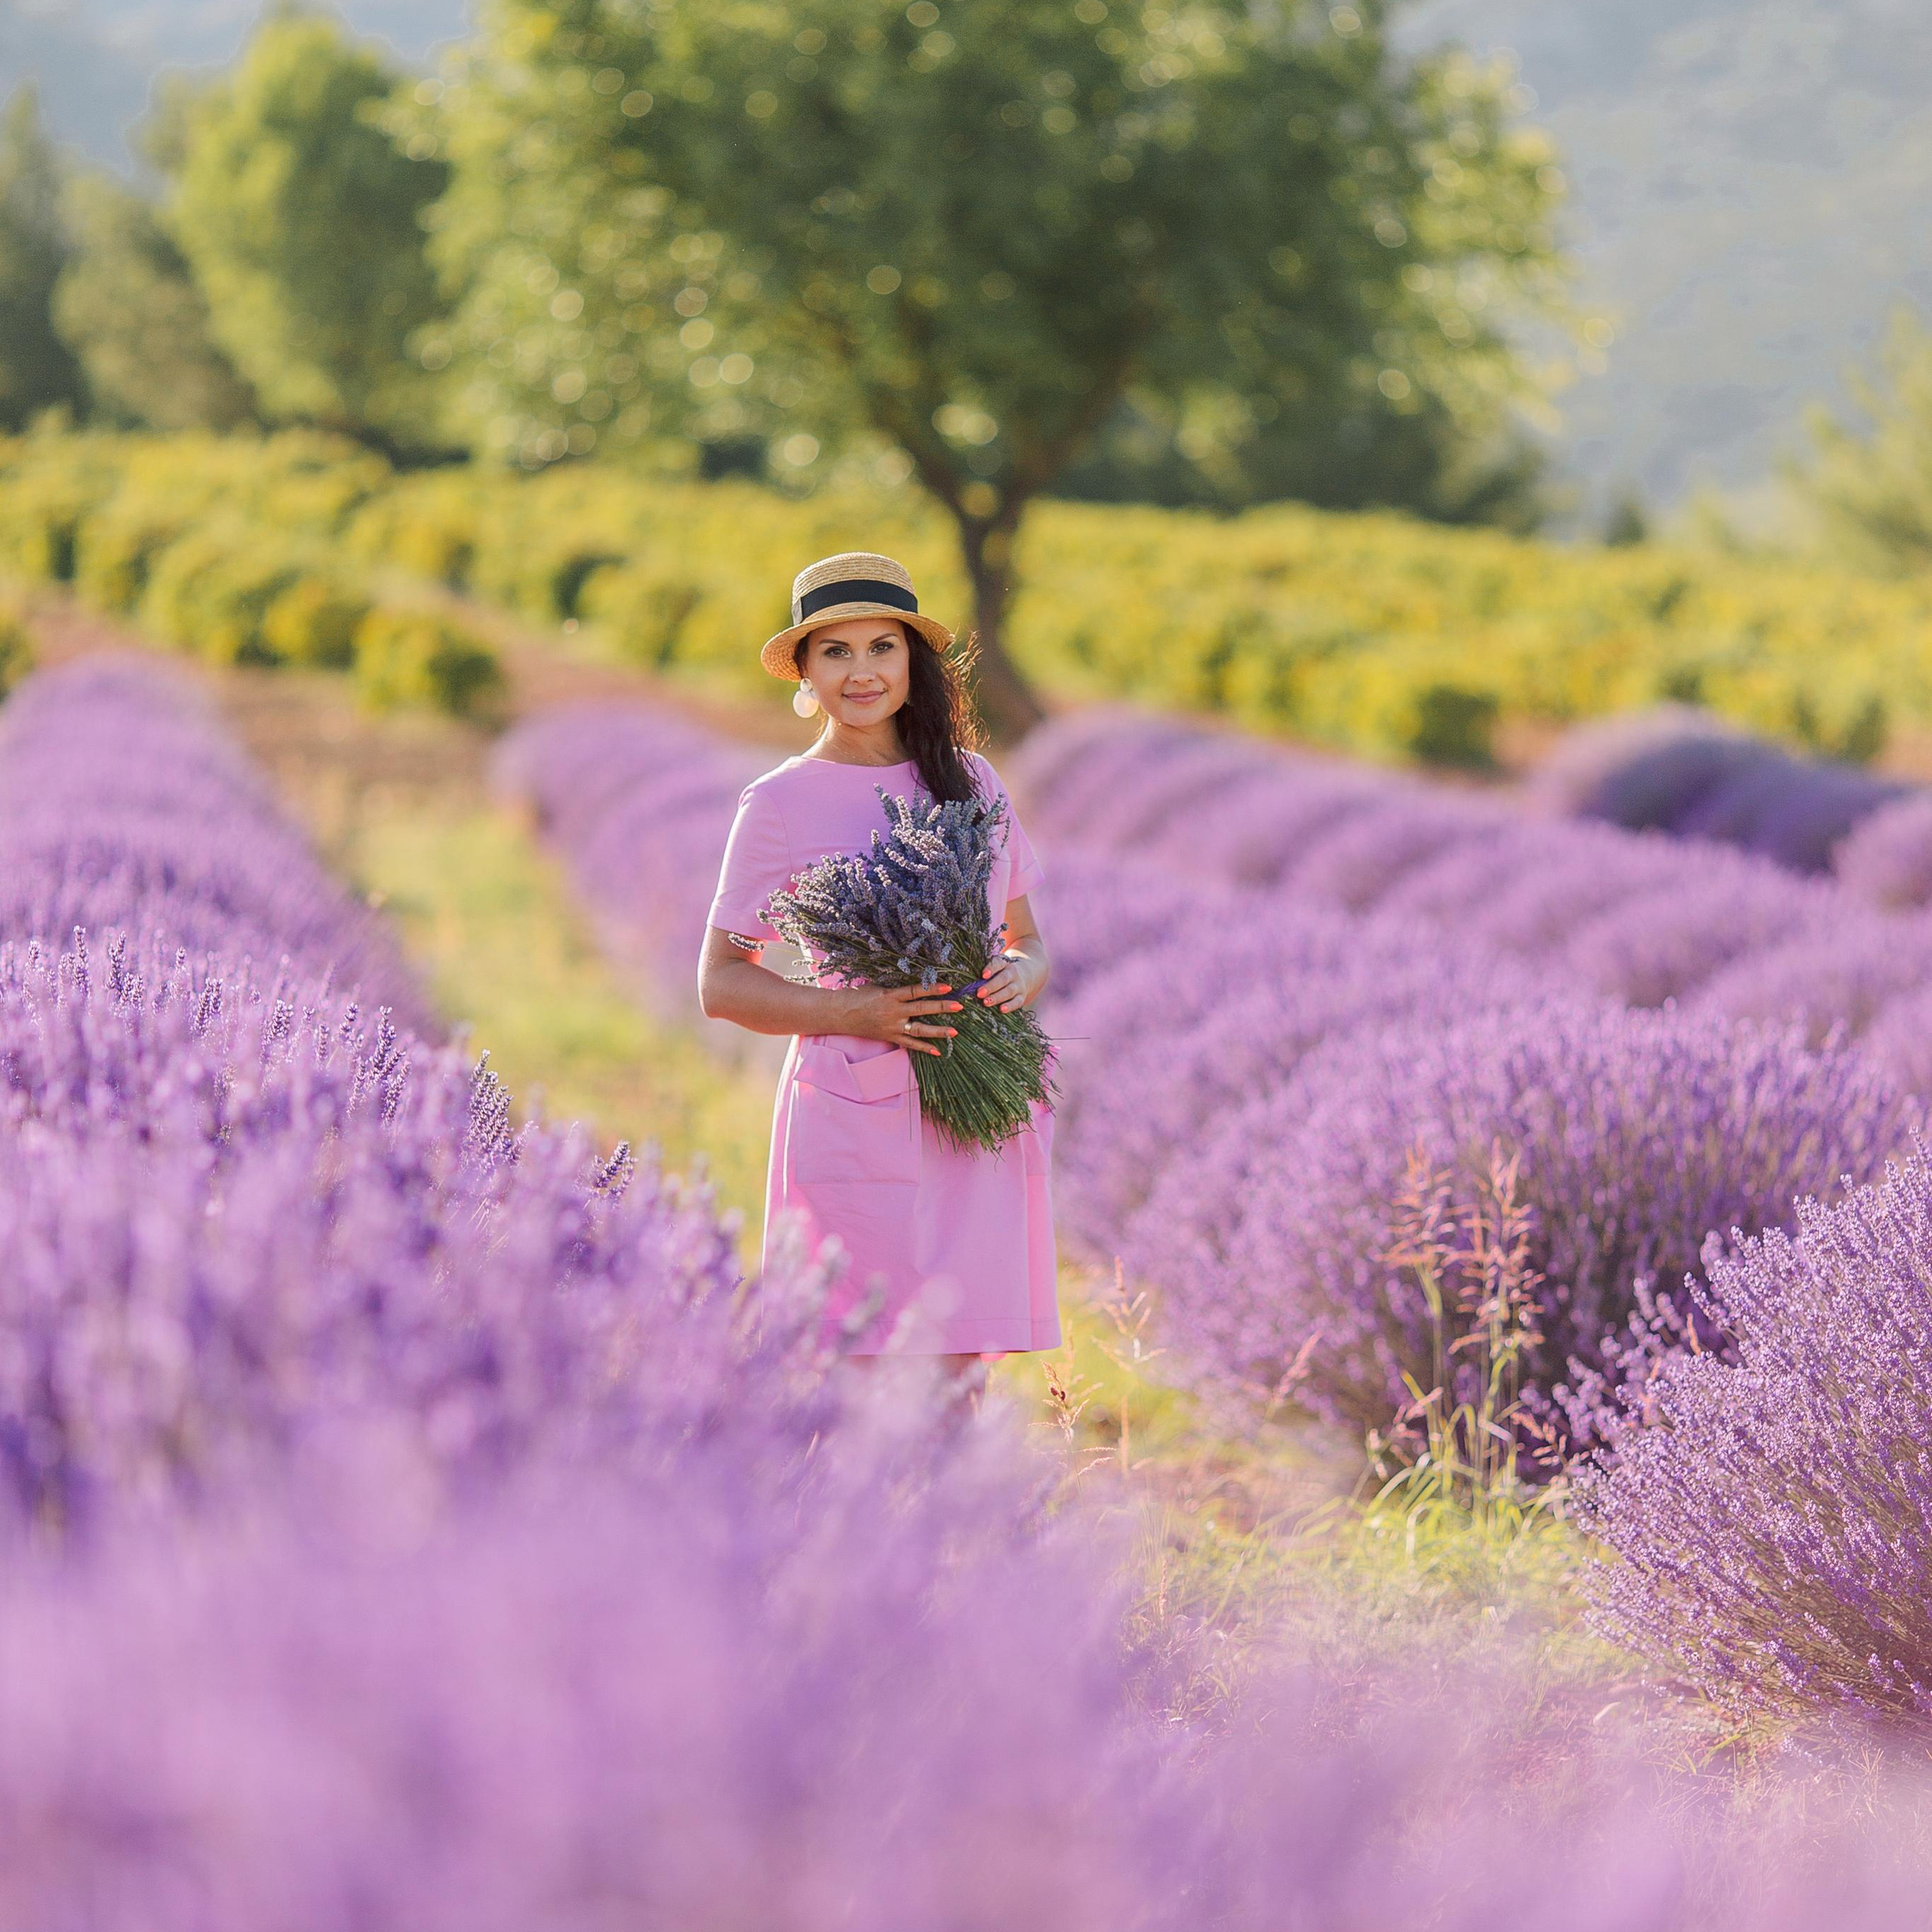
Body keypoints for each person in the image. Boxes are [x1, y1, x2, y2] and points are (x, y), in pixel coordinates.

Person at [698, 550, 1060, 1400]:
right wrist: (856, 1012)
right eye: (836, 651)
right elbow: (720, 983)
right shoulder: (779, 802)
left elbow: (1029, 939)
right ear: (804, 672)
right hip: (853, 1103)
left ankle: (949, 1538)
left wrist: (1020, 975)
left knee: (957, 1372)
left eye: (881, 648)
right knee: (855, 1368)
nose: (862, 672)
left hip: (974, 1104)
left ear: (912, 662)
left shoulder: (970, 781)